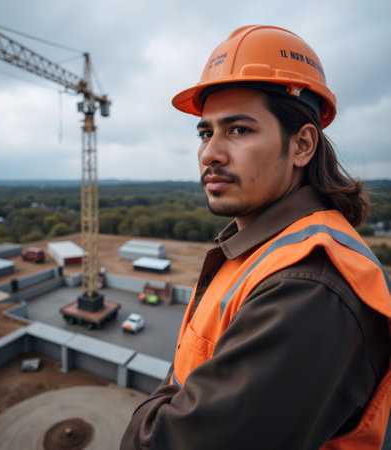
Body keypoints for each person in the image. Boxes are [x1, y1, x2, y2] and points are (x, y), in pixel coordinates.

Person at [120, 25, 391, 450]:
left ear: (302, 145)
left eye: (239, 130)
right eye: (206, 132)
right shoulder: (258, 251)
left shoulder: (307, 286)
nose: (210, 153)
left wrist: (148, 413)